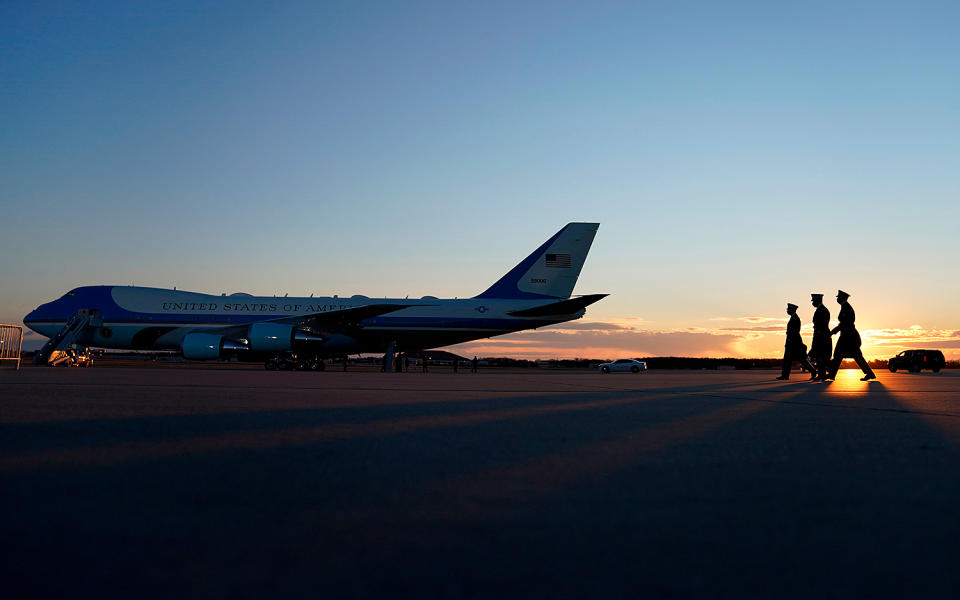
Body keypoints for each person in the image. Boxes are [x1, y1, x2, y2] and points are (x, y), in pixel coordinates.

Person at [826, 290, 876, 381]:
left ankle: (832, 374)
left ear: (842, 298)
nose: (837, 299)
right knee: (845, 355)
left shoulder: (846, 308)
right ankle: (832, 374)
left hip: (848, 336)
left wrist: (833, 331)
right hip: (848, 335)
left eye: (839, 297)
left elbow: (844, 323)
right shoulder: (845, 307)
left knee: (847, 355)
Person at [777, 303, 816, 380]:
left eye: (789, 309)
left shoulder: (795, 318)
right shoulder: (794, 318)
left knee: (796, 359)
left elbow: (795, 331)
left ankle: (785, 375)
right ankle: (785, 375)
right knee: (798, 359)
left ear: (793, 310)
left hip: (793, 343)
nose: (787, 310)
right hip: (793, 342)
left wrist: (790, 340)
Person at [809, 293, 832, 381]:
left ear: (817, 300)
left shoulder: (822, 310)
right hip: (820, 335)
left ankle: (823, 374)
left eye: (813, 301)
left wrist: (819, 336)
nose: (812, 303)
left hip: (821, 336)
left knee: (821, 356)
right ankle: (822, 374)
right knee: (819, 356)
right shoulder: (820, 309)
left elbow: (821, 325)